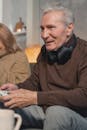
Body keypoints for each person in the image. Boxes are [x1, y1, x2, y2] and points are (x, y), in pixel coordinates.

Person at [0, 4, 87, 130]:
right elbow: (33, 83)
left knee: (55, 113)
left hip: (79, 116)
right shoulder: (45, 52)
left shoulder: (84, 52)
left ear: (69, 28)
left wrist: (37, 98)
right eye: (42, 28)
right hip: (45, 109)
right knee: (5, 104)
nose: (44, 35)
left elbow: (84, 96)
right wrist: (17, 87)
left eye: (51, 27)